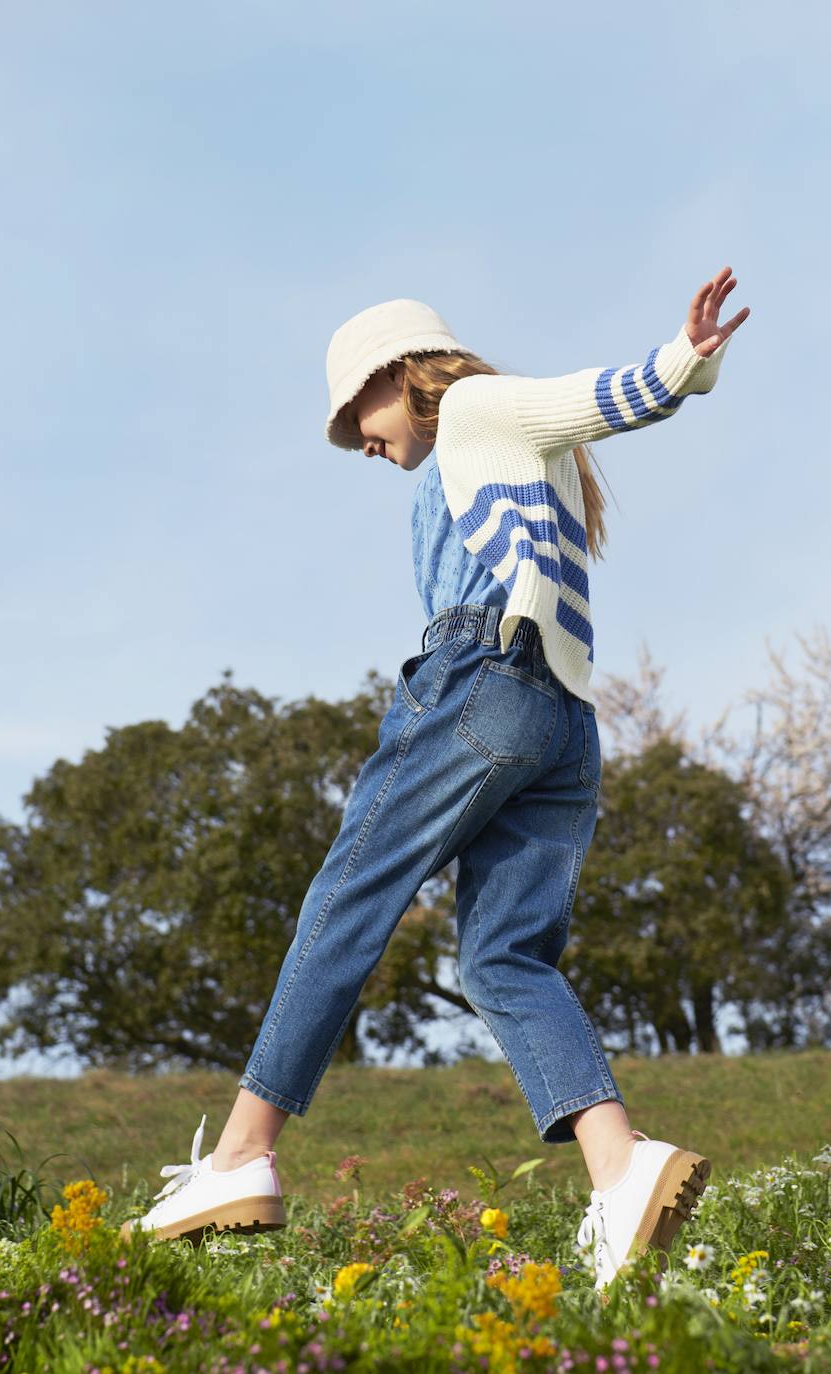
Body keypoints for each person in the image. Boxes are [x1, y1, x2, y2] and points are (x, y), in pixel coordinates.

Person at [122, 269, 750, 1293]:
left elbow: (610, 394)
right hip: (563, 720)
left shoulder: (473, 407)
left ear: (398, 375)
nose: (357, 441)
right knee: (505, 959)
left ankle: (240, 1154)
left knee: (346, 896)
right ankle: (619, 1168)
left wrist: (684, 358)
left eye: (354, 415)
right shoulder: (482, 462)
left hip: (481, 683)